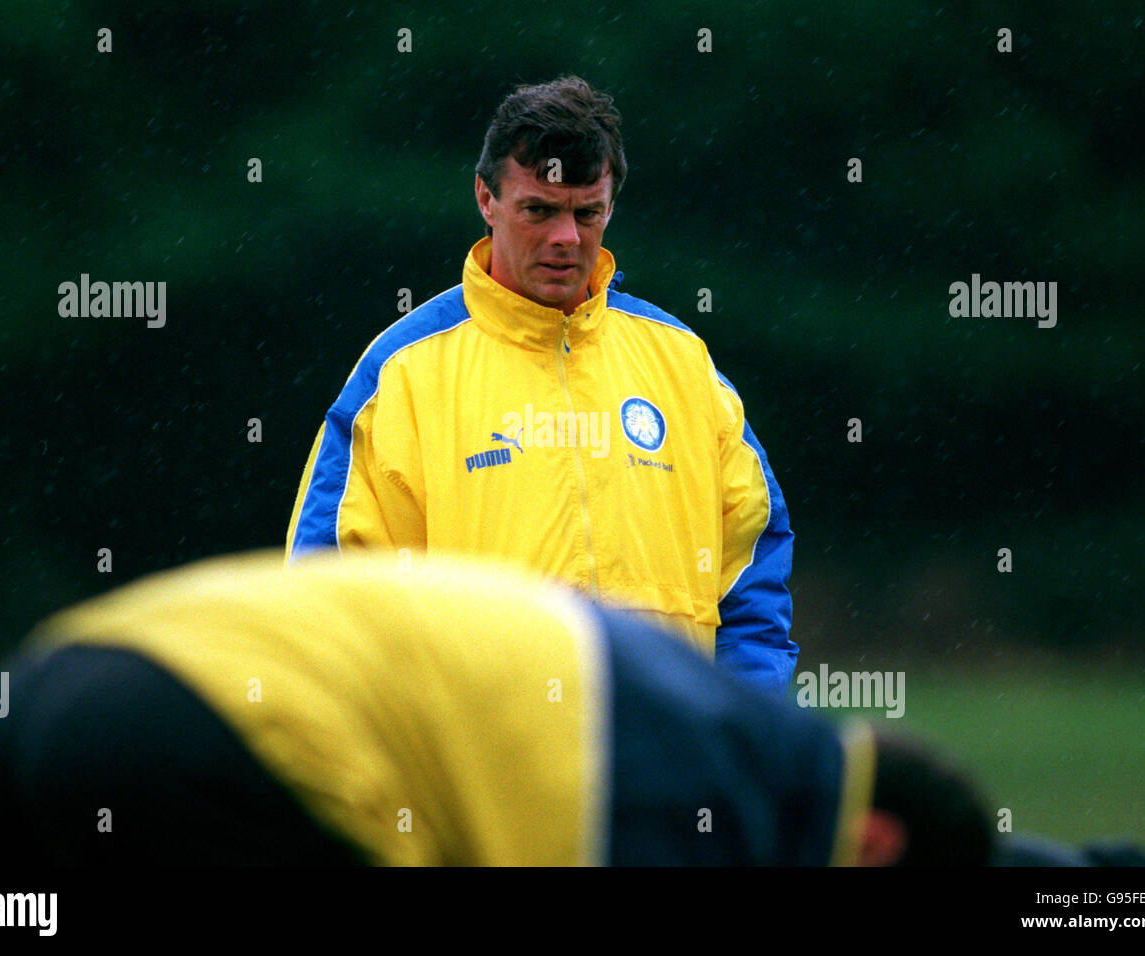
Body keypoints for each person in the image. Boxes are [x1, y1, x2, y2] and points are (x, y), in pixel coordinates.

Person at [0, 549, 994, 867]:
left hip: (32, 696)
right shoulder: (691, 796)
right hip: (203, 732)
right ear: (870, 844)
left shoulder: (708, 726)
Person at [284, 76, 798, 695]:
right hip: (482, 780)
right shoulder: (402, 373)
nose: (566, 238)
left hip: (663, 775)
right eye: (539, 210)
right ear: (486, 198)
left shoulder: (683, 362)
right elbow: (330, 596)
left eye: (587, 213)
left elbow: (753, 568)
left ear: (611, 206)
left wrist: (737, 728)